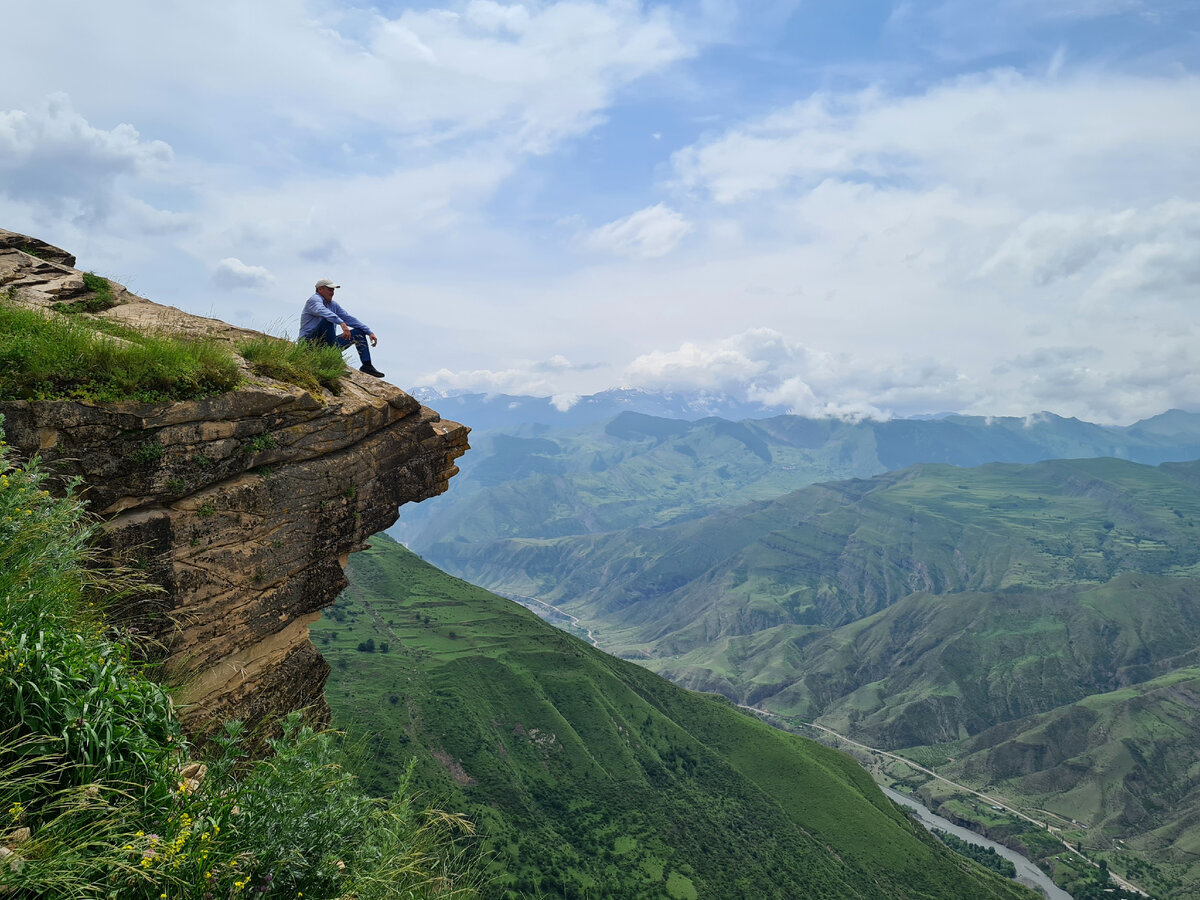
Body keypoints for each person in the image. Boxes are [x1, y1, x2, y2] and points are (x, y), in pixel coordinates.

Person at [298, 278, 385, 378]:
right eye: (330, 289)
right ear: (320, 289)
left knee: (359, 332)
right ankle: (337, 361)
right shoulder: (314, 300)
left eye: (333, 290)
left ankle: (367, 366)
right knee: (327, 321)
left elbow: (348, 318)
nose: (332, 292)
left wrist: (369, 332)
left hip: (328, 344)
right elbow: (323, 311)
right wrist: (341, 323)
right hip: (309, 343)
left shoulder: (333, 305)